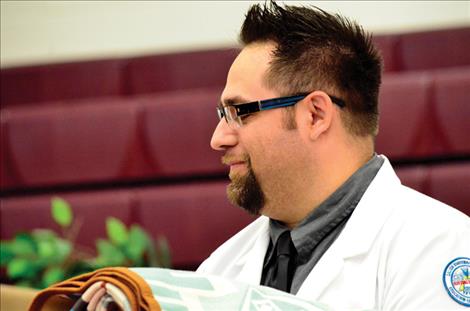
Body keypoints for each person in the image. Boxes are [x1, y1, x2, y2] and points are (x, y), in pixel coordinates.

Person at [197, 1, 470, 310]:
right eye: (223, 114)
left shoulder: (437, 248)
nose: (217, 139)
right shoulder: (217, 270)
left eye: (239, 112)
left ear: (315, 115)